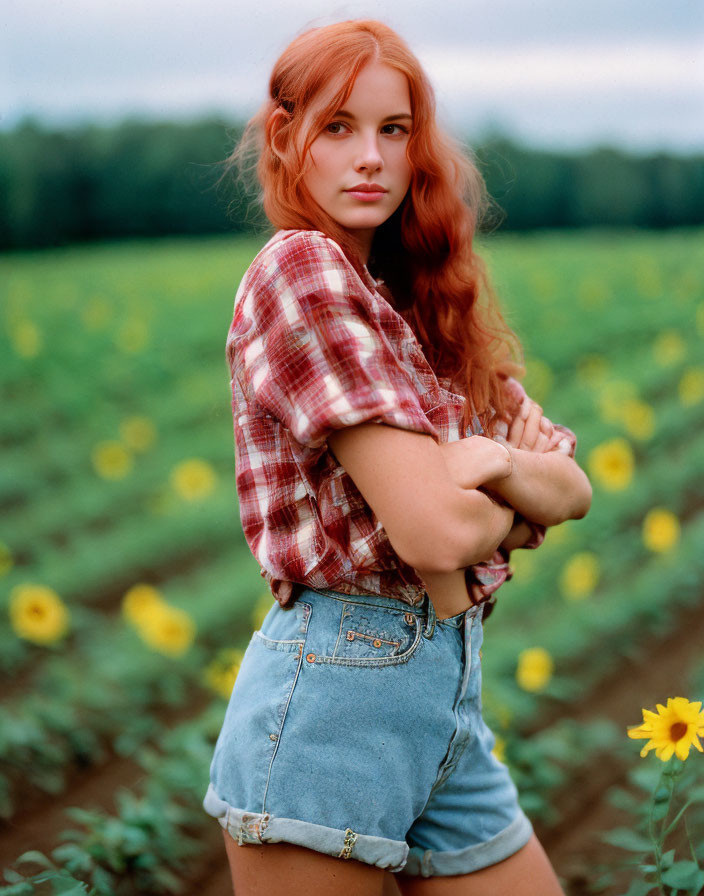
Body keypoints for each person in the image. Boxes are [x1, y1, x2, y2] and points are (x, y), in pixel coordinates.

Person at [202, 17, 592, 896]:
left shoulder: (408, 300)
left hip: (445, 699)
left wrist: (485, 466)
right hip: (335, 703)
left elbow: (571, 485)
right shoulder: (301, 269)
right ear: (286, 137)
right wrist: (498, 493)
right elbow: (432, 533)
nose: (369, 157)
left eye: (394, 130)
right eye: (338, 127)